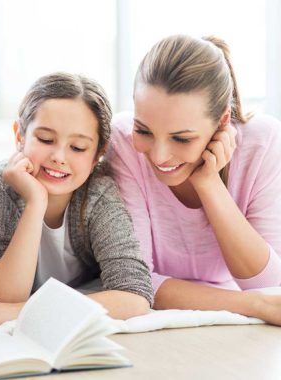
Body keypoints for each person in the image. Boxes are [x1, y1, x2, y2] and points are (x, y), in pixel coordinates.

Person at [106, 34, 281, 324]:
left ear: (223, 121)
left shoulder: (264, 143)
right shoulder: (122, 141)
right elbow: (135, 281)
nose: (160, 156)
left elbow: (270, 285)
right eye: (144, 131)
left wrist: (209, 184)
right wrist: (255, 306)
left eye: (182, 138)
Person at [0, 73, 153, 326]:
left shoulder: (99, 194)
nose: (59, 156)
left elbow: (134, 295)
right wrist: (35, 204)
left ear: (98, 155)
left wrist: (22, 312)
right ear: (19, 135)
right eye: (46, 140)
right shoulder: (3, 183)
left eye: (78, 148)